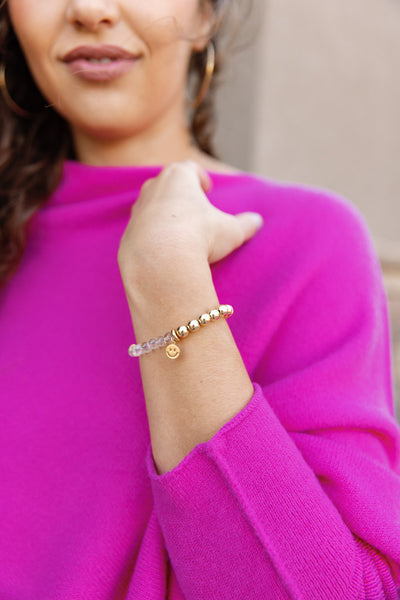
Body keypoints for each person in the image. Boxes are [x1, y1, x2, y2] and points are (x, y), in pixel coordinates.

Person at [0, 0, 399, 598]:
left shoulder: (303, 241)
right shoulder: (12, 241)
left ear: (207, 14)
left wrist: (169, 286)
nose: (88, 9)